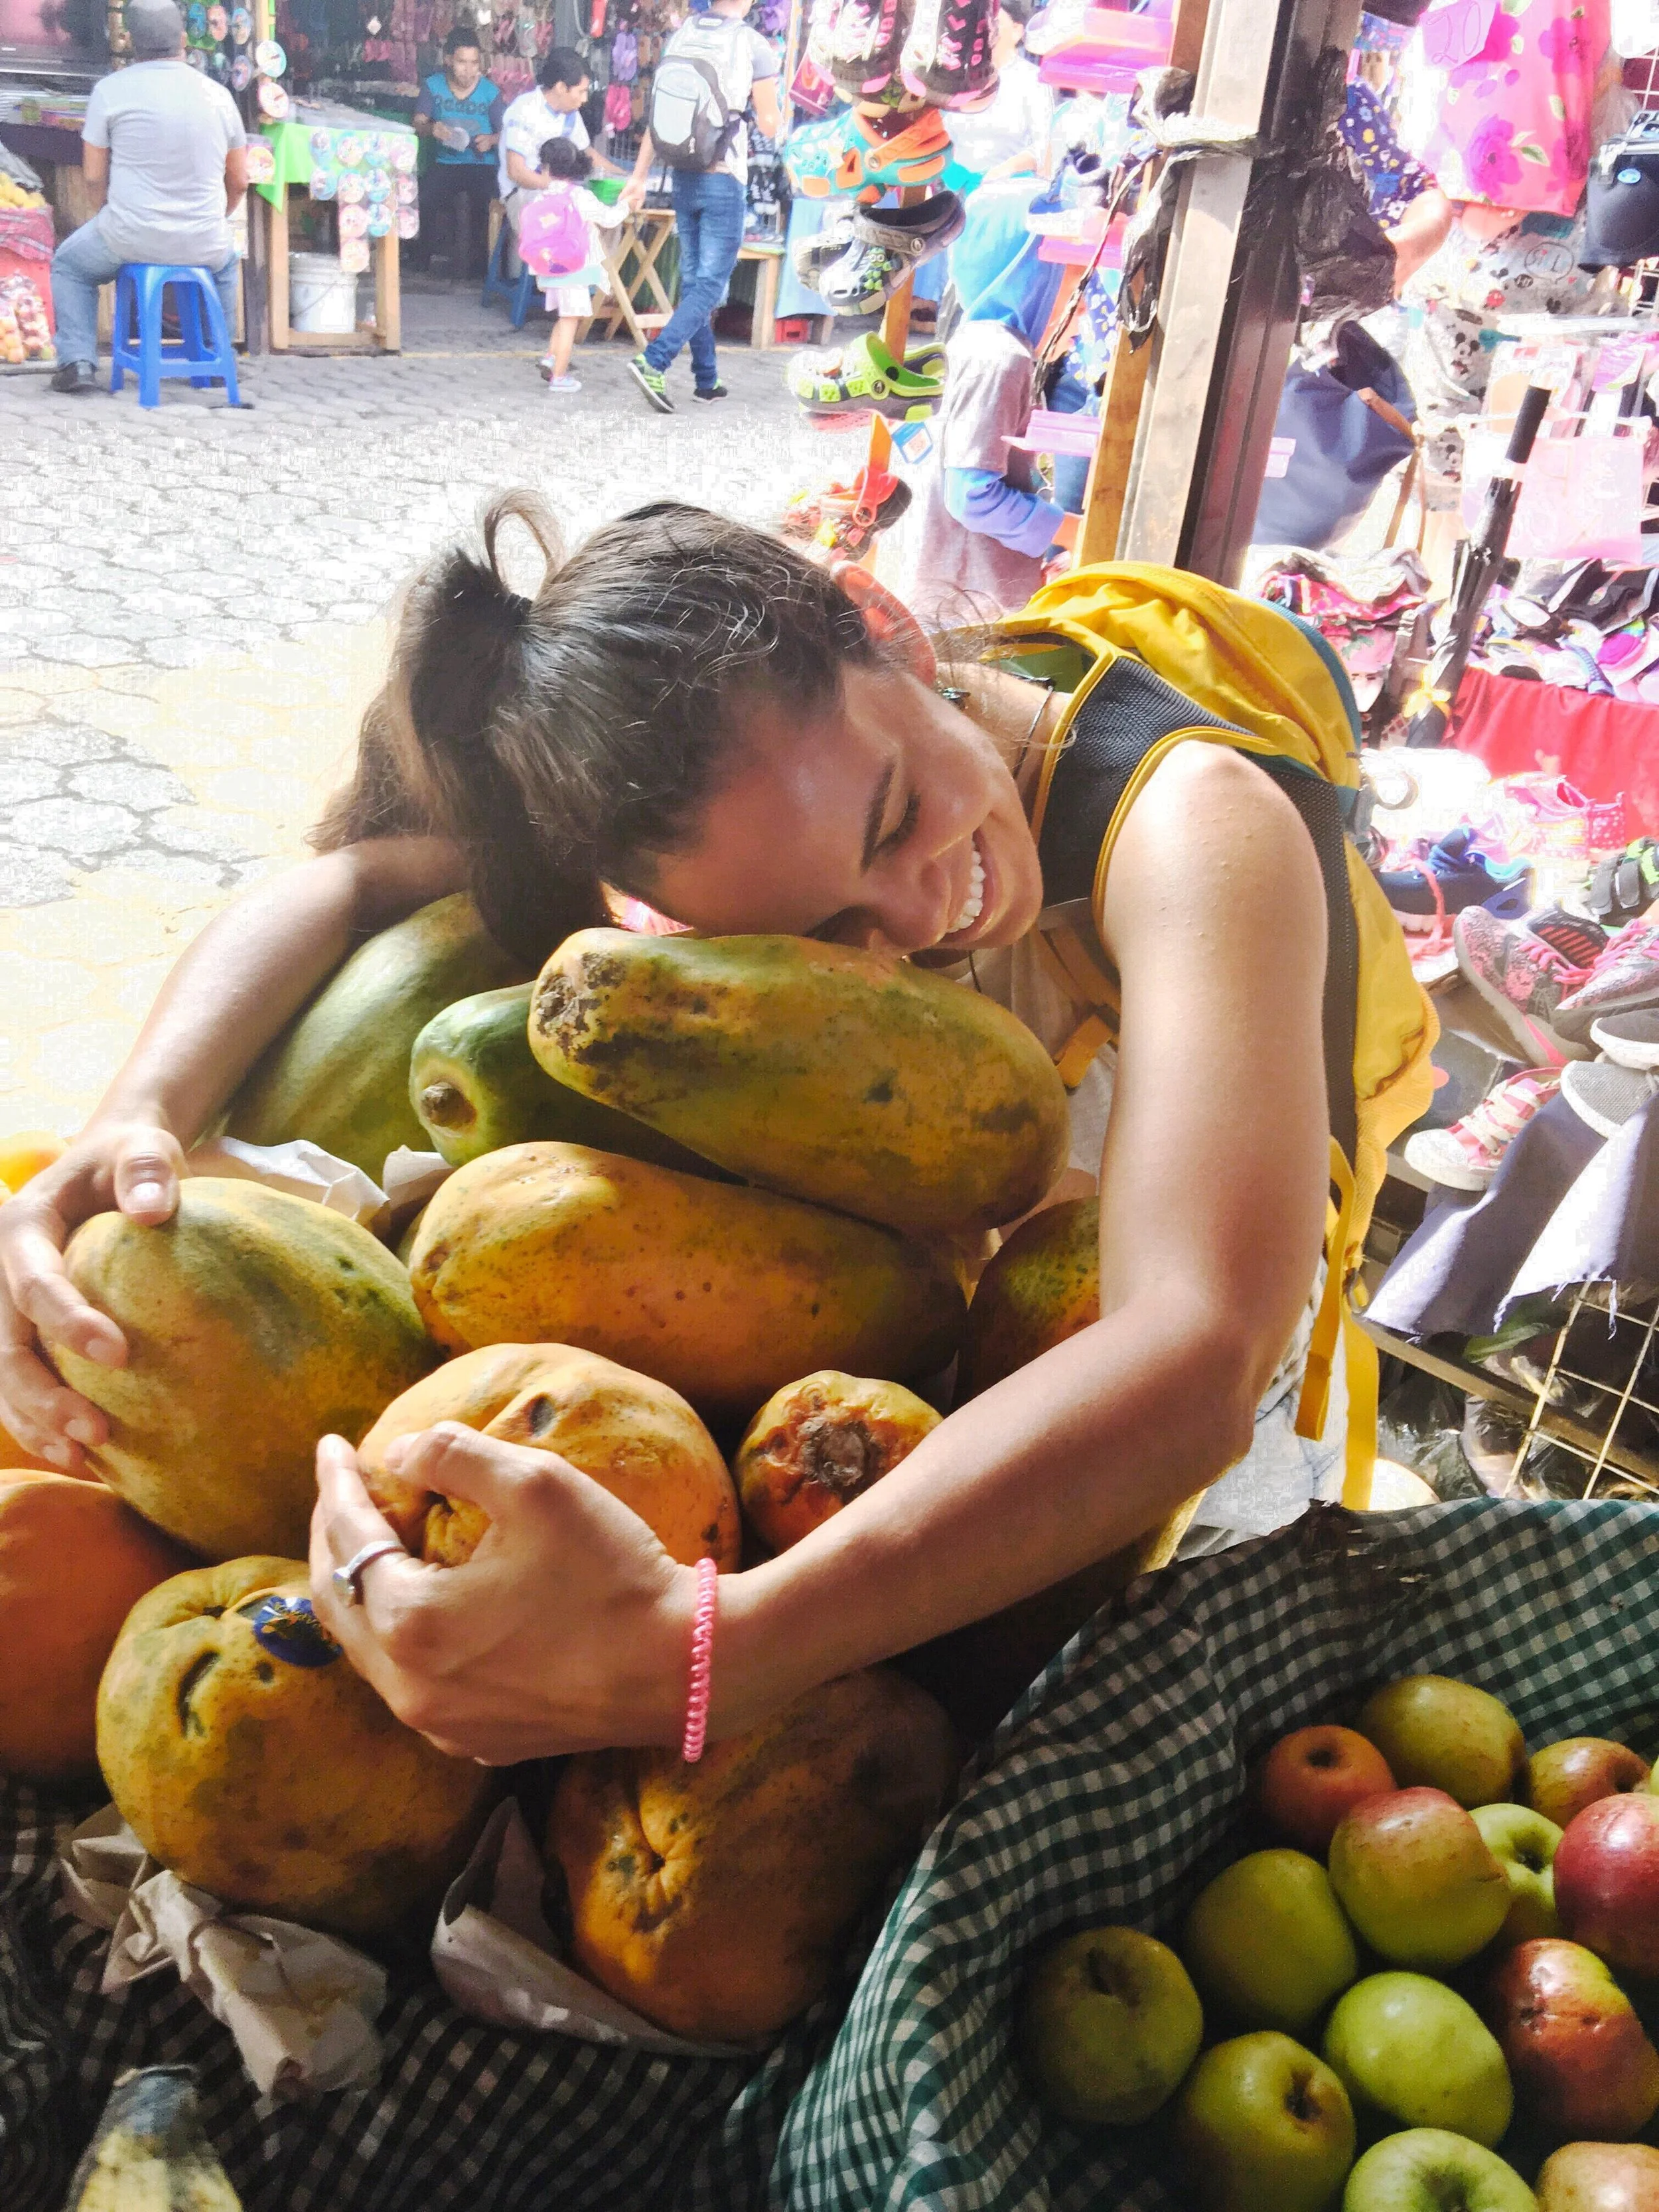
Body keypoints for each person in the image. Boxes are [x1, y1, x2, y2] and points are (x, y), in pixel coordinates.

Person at [0, 497, 1393, 1766]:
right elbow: (353, 883)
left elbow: (1196, 1340)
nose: (913, 921)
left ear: (888, 629)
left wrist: (726, 1653)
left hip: (1150, 1414)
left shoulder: (1199, 826)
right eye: (815, 934)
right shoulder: (700, 813)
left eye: (899, 812)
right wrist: (130, 1127)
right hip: (911, 1397)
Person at [48, 0, 246, 398]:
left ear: (129, 41)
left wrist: (108, 215)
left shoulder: (111, 90)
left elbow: (92, 175)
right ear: (185, 39)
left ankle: (78, 364)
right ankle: (217, 356)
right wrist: (210, 219)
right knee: (225, 264)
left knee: (69, 266)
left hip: (129, 233)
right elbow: (240, 181)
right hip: (203, 238)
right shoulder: (219, 96)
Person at [904, 181, 1076, 628]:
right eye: (1074, 276)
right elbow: (972, 496)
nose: (1084, 301)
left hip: (971, 593)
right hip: (969, 608)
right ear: (1032, 275)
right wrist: (1071, 531)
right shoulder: (1000, 357)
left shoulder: (988, 342)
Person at [622, 0, 780, 412]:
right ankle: (654, 360)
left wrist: (638, 178)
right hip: (724, 177)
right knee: (710, 285)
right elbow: (768, 122)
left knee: (695, 283)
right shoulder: (753, 44)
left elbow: (658, 116)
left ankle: (706, 379)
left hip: (683, 173)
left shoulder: (683, 35)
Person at [526, 137, 630, 392]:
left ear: (546, 167)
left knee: (564, 318)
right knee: (570, 321)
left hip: (549, 269)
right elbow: (608, 219)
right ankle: (559, 377)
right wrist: (627, 205)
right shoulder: (580, 197)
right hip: (575, 269)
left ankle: (551, 357)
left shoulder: (540, 198)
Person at [498, 46, 622, 258]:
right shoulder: (524, 111)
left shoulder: (569, 114)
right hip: (522, 197)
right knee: (575, 215)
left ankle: (599, 283)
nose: (584, 100)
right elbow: (516, 172)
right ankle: (574, 281)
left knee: (610, 215)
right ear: (561, 87)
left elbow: (588, 154)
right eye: (581, 92)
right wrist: (557, 187)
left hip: (557, 194)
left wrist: (625, 177)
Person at [410, 28, 504, 280]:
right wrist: (432, 128)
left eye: (474, 63)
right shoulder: (433, 86)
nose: (469, 70)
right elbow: (418, 123)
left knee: (487, 204)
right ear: (449, 59)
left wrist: (493, 139)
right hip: (447, 162)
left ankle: (481, 269)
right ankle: (421, 260)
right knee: (425, 197)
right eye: (462, 62)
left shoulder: (491, 93)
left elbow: (508, 133)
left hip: (481, 163)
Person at [943, 0, 1054, 187]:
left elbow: (1042, 147)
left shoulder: (1033, 80)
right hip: (952, 189)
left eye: (995, 22)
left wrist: (1005, 170)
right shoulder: (960, 75)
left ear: (1017, 31)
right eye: (982, 22)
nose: (987, 29)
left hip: (1005, 191)